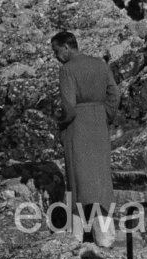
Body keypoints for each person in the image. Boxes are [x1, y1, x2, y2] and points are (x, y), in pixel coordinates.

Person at [51, 31, 120, 247]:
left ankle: (76, 235)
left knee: (77, 180)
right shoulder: (100, 64)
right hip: (99, 125)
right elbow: (115, 94)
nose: (55, 56)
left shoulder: (67, 70)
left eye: (56, 51)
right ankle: (105, 236)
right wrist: (104, 115)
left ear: (66, 47)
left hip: (78, 127)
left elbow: (69, 107)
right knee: (100, 180)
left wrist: (61, 122)